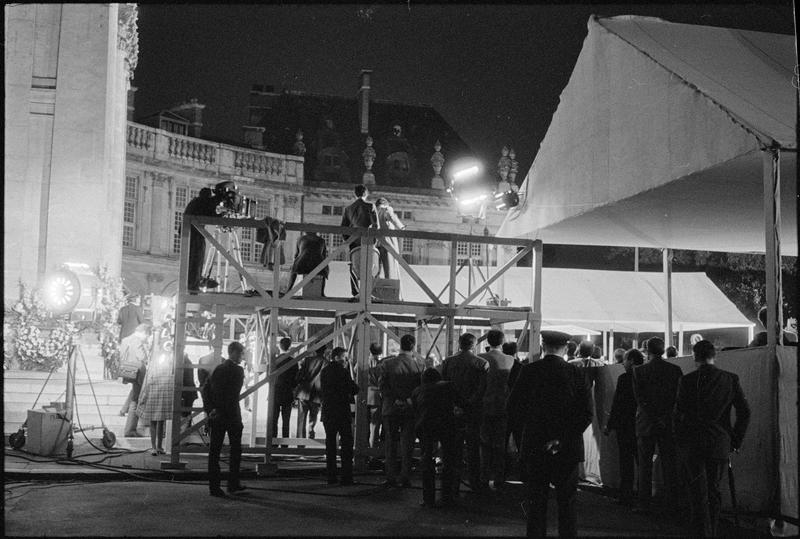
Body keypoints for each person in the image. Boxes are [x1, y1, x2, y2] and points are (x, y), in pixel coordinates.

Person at [508, 331, 593, 537]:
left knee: (536, 501)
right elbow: (586, 414)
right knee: (567, 503)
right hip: (568, 447)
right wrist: (561, 439)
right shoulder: (577, 373)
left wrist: (522, 439)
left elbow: (514, 408)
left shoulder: (529, 371)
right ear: (566, 348)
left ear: (543, 345)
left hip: (535, 445)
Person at [673, 340, 751, 537]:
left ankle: (701, 531)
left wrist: (680, 440)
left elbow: (679, 414)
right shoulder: (730, 379)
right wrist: (735, 440)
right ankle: (713, 531)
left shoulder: (687, 380)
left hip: (693, 443)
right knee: (714, 491)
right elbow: (745, 412)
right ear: (714, 355)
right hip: (719, 442)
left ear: (694, 356)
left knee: (697, 492)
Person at [632, 337, 683, 513]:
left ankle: (644, 503)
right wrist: (665, 416)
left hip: (646, 423)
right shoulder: (675, 370)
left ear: (647, 350)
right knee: (669, 464)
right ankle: (672, 503)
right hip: (668, 422)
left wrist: (653, 416)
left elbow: (641, 399)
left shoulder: (639, 371)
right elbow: (677, 398)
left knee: (645, 465)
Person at [440, 332, 488, 495]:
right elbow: (481, 389)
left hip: (452, 411)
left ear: (459, 344)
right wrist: (468, 404)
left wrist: (456, 404)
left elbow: (444, 386)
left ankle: (453, 485)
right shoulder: (481, 364)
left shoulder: (448, 362)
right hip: (473, 411)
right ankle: (474, 483)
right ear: (474, 345)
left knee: (453, 450)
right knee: (473, 448)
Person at [411, 367, 463, 507]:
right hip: (446, 424)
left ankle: (428, 499)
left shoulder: (417, 391)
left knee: (427, 460)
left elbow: (416, 410)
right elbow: (461, 402)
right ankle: (447, 496)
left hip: (425, 426)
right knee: (449, 460)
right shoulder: (447, 386)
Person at [203, 341, 246, 497]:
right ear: (234, 352)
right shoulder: (238, 371)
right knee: (235, 451)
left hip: (218, 415)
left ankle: (214, 487)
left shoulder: (217, 369)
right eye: (241, 353)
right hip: (232, 415)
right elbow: (233, 394)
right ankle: (233, 483)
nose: (243, 356)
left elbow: (206, 390)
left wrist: (211, 410)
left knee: (214, 451)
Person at [380, 334, 423, 487]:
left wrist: (396, 398)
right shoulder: (419, 365)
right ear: (413, 347)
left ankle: (390, 476)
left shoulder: (387, 364)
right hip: (409, 409)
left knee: (390, 443)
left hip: (390, 407)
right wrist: (408, 400)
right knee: (407, 444)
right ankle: (405, 476)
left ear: (400, 345)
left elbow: (383, 386)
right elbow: (419, 389)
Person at [604, 348, 645, 506]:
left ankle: (626, 494)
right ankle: (642, 495)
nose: (623, 363)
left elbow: (618, 404)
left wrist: (610, 425)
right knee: (642, 462)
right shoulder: (646, 376)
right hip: (641, 425)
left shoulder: (625, 378)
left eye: (625, 360)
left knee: (626, 462)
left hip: (625, 425)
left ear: (632, 361)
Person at [478, 329, 514, 491]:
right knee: (500, 445)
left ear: (487, 341)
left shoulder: (480, 358)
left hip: (484, 406)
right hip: (503, 407)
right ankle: (499, 478)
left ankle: (484, 477)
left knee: (484, 444)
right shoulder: (510, 360)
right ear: (502, 341)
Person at [320, 347, 359, 485]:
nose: (346, 360)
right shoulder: (342, 372)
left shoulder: (324, 371)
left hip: (328, 411)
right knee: (346, 444)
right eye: (344, 357)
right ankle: (346, 476)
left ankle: (331, 476)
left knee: (330, 443)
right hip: (342, 411)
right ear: (337, 357)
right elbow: (354, 388)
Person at [136, 337, 174, 456]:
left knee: (160, 421)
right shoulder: (160, 358)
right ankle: (154, 446)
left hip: (163, 392)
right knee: (154, 421)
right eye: (166, 345)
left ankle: (159, 446)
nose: (168, 348)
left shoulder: (171, 358)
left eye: (170, 345)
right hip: (155, 391)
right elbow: (149, 375)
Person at [341, 184, 379, 299]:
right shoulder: (370, 206)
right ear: (366, 194)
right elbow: (376, 226)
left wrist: (349, 242)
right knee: (370, 267)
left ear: (355, 194)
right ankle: (368, 292)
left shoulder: (348, 209)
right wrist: (374, 241)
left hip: (354, 243)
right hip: (367, 242)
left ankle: (355, 292)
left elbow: (344, 229)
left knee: (353, 267)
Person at [184, 187, 221, 292]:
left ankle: (196, 280)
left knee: (197, 259)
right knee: (196, 259)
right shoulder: (201, 202)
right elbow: (212, 216)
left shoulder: (196, 202)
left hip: (193, 233)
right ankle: (193, 284)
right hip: (193, 234)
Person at [118, 323, 152, 436]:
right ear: (143, 333)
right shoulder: (137, 341)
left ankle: (123, 410)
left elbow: (122, 355)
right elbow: (142, 357)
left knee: (135, 393)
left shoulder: (125, 339)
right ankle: (130, 430)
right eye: (147, 336)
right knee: (137, 400)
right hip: (138, 371)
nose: (146, 338)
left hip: (128, 371)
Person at [272, 337, 299, 446]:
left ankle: (273, 442)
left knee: (274, 420)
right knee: (286, 420)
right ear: (290, 346)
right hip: (287, 393)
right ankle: (285, 444)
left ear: (279, 346)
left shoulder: (275, 361)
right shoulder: (293, 362)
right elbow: (295, 379)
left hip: (275, 392)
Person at [295, 346, 325, 439]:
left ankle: (300, 440)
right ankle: (310, 430)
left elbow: (299, 375)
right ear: (324, 351)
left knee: (301, 417)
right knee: (313, 415)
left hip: (304, 392)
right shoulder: (326, 362)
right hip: (316, 394)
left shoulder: (307, 360)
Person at [287, 231, 329, 296]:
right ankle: (322, 292)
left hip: (303, 264)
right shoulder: (321, 240)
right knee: (324, 268)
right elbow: (324, 256)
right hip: (317, 264)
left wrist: (296, 263)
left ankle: (288, 290)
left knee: (293, 271)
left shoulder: (300, 239)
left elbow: (296, 255)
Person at [374, 197, 405, 279]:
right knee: (390, 270)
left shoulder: (374, 211)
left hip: (376, 244)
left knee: (377, 270)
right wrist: (402, 227)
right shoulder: (386, 209)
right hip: (388, 244)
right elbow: (392, 218)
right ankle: (389, 287)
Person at [367, 342, 385, 449]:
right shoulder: (381, 365)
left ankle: (362, 449)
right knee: (374, 426)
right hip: (376, 397)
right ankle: (372, 450)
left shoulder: (363, 362)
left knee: (363, 426)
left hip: (363, 396)